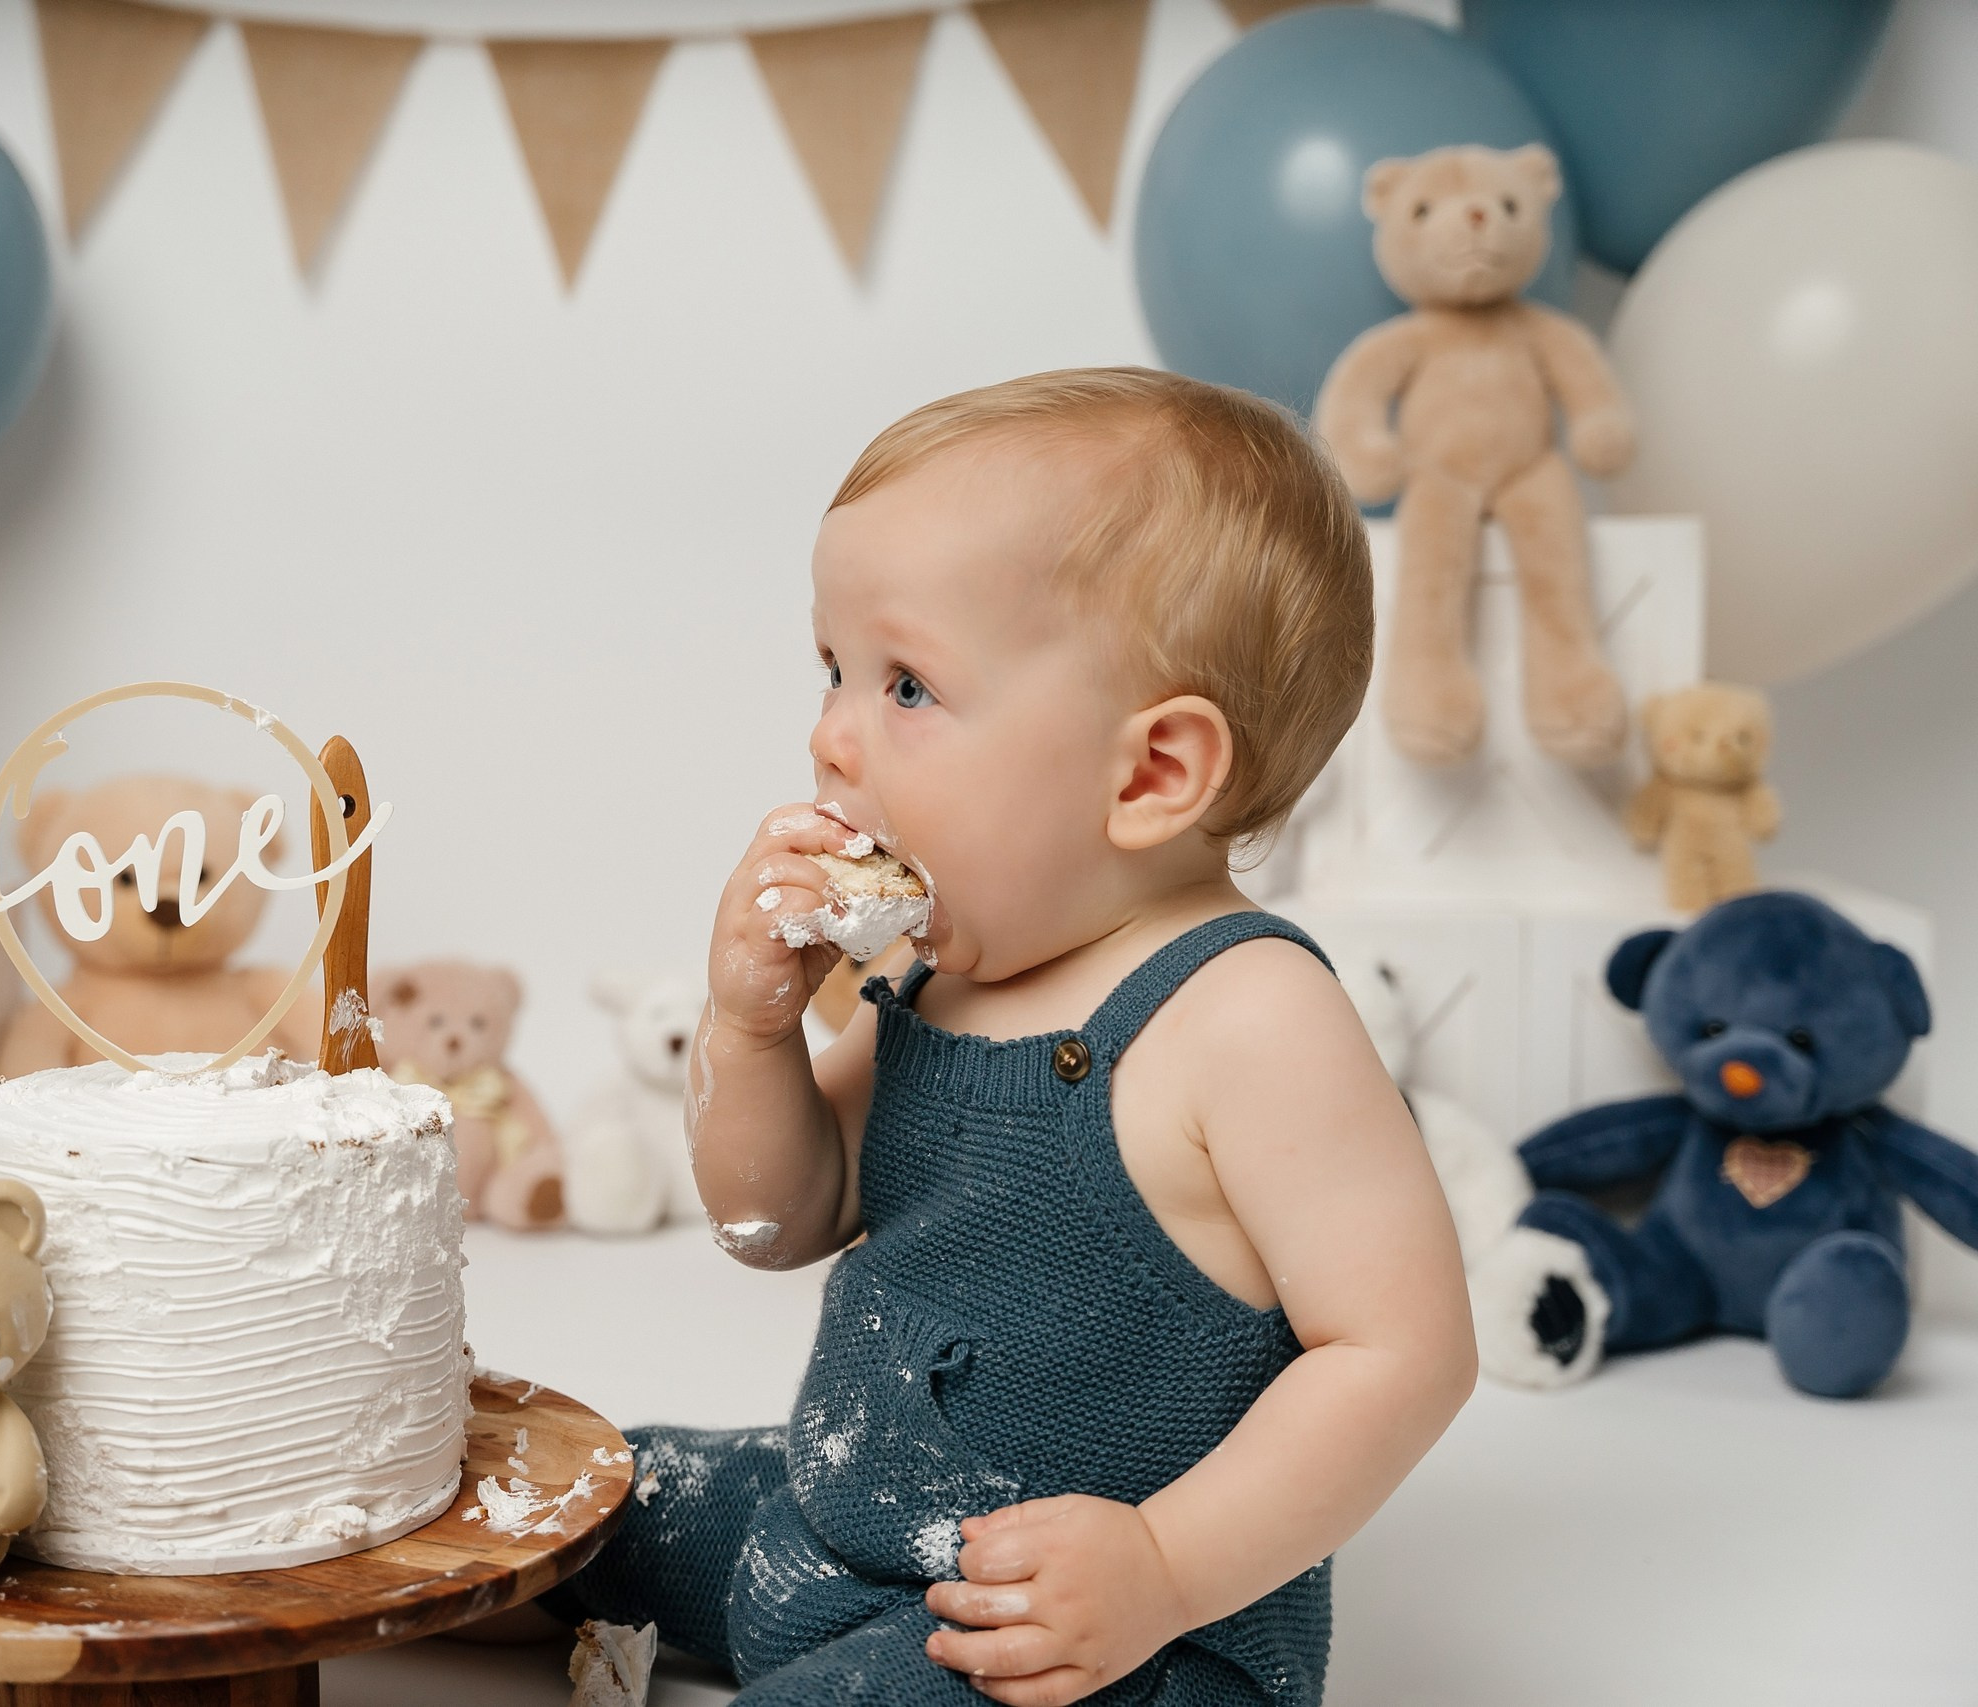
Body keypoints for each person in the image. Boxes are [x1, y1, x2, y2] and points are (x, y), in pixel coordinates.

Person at [544, 368, 1477, 1706]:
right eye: (832, 670)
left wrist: (1164, 1567)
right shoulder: (943, 972)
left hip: (1074, 1645)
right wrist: (751, 1032)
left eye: (907, 685)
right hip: (839, 1523)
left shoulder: (1247, 1016)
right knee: (579, 1503)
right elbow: (778, 1221)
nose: (829, 737)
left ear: (1152, 772)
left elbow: (1403, 1353)